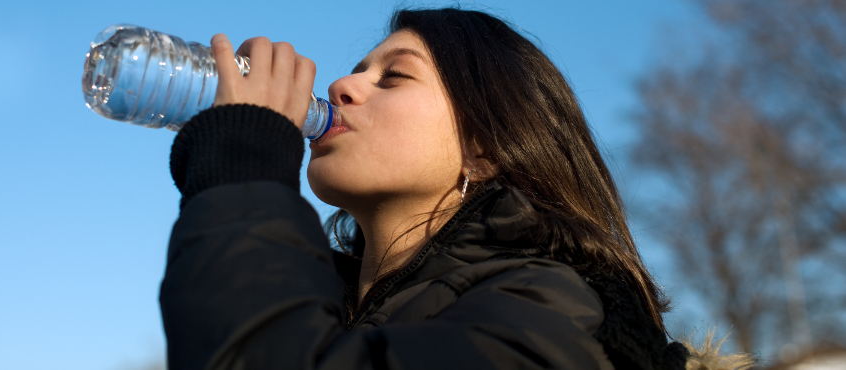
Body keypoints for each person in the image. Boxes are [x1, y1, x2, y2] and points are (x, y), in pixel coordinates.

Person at [161, 7, 748, 370]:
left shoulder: (552, 313)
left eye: (394, 76)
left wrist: (242, 168)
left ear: (485, 149)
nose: (341, 84)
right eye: (358, 68)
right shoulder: (315, 298)